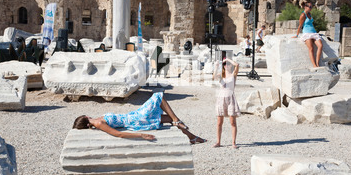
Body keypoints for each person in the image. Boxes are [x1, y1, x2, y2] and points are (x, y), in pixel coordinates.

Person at [73, 92, 207, 145]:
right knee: (158, 97)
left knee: (167, 118)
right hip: (135, 120)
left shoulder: (96, 121)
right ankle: (178, 121)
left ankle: (192, 137)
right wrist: (141, 135)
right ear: (85, 117)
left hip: (133, 116)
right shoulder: (98, 122)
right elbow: (118, 134)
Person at [212, 58, 241, 149]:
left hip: (230, 98)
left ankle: (233, 142)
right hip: (221, 98)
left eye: (228, 64)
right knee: (219, 122)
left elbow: (237, 65)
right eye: (225, 64)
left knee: (233, 122)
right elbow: (213, 77)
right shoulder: (221, 75)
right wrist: (216, 67)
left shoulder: (233, 75)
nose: (226, 66)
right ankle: (218, 142)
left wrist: (228, 59)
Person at [293, 2, 323, 68]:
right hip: (307, 33)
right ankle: (314, 65)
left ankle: (317, 63)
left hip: (314, 32)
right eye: (310, 7)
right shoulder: (303, 15)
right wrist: (297, 35)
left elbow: (310, 23)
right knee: (311, 48)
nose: (311, 8)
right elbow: (300, 26)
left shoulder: (309, 14)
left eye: (311, 7)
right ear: (305, 7)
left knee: (320, 46)